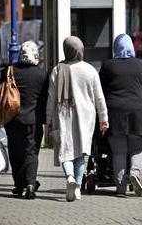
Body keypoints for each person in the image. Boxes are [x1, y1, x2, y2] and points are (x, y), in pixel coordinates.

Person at [46, 36, 109, 202]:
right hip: (86, 118)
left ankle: (70, 178)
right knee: (82, 153)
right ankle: (78, 187)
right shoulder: (90, 70)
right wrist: (104, 118)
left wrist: (48, 120)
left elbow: (51, 99)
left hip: (62, 116)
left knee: (65, 151)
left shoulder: (57, 70)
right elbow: (99, 98)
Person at [0, 41, 49, 199]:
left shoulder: (8, 71)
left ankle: (19, 185)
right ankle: (30, 184)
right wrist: (47, 119)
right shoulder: (42, 74)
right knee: (31, 152)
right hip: (33, 120)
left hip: (12, 120)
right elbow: (45, 99)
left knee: (15, 152)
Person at [99, 34, 142, 197]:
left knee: (119, 151)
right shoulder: (140, 65)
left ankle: (120, 188)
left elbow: (101, 89)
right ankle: (135, 173)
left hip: (114, 113)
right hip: (137, 112)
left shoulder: (108, 65)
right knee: (137, 148)